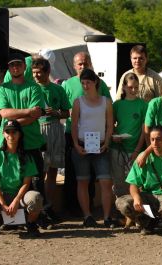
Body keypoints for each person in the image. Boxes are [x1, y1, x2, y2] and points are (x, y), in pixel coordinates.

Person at [0, 52, 46, 205]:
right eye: (12, 65)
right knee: (7, 182)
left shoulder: (34, 88)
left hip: (31, 142)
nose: (15, 67)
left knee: (36, 184)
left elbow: (36, 115)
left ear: (24, 66)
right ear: (8, 68)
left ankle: (36, 218)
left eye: (18, 64)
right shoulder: (2, 89)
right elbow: (4, 112)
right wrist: (28, 111)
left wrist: (11, 124)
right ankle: (2, 217)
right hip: (7, 144)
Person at [62, 51, 111, 215]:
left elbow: (108, 110)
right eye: (79, 64)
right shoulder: (67, 84)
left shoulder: (101, 84)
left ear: (90, 64)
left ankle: (93, 209)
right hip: (74, 135)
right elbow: (65, 111)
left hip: (99, 138)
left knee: (95, 178)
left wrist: (107, 139)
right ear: (74, 66)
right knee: (74, 176)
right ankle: (73, 209)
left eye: (85, 63)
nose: (82, 66)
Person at [115, 125, 162, 235]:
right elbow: (133, 184)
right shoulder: (143, 158)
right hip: (150, 196)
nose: (155, 143)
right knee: (123, 203)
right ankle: (148, 220)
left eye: (158, 139)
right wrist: (136, 198)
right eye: (152, 140)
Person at [0, 120, 43, 237]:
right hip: (2, 195)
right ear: (3, 134)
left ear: (19, 134)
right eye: (8, 132)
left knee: (36, 198)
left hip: (20, 197)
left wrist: (16, 201)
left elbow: (26, 183)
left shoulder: (27, 157)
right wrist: (3, 204)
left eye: (14, 132)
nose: (11, 135)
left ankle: (30, 223)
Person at [71, 68, 114, 227]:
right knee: (82, 181)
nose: (85, 86)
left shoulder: (106, 102)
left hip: (101, 145)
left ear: (95, 82)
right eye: (83, 83)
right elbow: (74, 125)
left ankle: (107, 217)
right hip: (82, 145)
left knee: (105, 181)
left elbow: (110, 125)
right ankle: (87, 215)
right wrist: (76, 144)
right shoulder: (78, 102)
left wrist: (107, 142)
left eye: (88, 82)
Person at [31, 56, 70, 221]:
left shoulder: (57, 89)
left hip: (54, 128)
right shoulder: (31, 89)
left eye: (39, 73)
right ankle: (38, 209)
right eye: (34, 73)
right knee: (40, 172)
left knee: (53, 171)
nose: (36, 76)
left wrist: (55, 113)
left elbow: (66, 113)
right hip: (37, 129)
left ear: (47, 72)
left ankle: (49, 207)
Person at [110, 73, 148, 197]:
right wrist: (115, 135)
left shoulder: (143, 105)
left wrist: (137, 150)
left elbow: (144, 131)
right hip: (118, 149)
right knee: (119, 181)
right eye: (131, 87)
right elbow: (111, 125)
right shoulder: (117, 105)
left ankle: (134, 210)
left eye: (136, 87)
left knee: (134, 182)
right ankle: (120, 209)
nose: (133, 90)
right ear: (124, 87)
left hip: (135, 150)